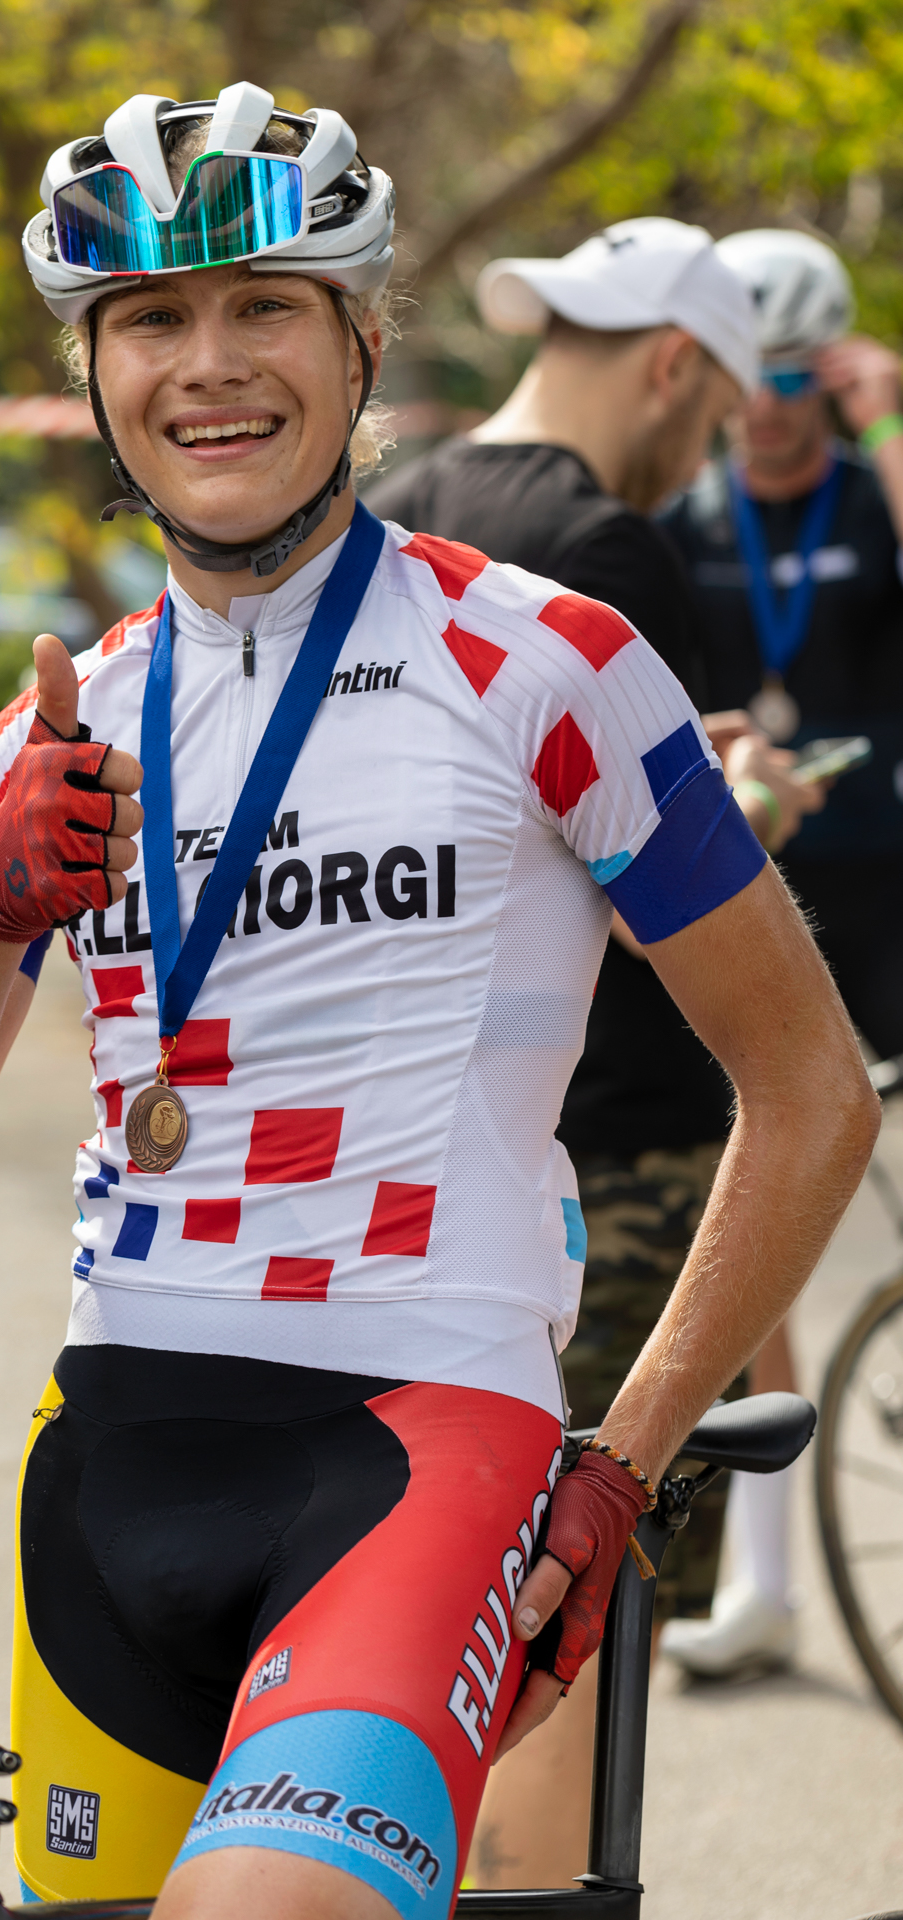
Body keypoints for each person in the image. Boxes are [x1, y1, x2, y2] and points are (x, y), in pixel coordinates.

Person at [0, 88, 877, 1920]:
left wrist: (623, 1461)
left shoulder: (548, 662)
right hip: (113, 1461)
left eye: (265, 307)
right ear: (94, 373)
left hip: (421, 1434)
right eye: (151, 317)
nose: (208, 363)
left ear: (363, 341)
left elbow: (813, 1091)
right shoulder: (44, 740)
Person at [366, 217, 824, 1888]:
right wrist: (748, 811)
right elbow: (656, 907)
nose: (705, 452)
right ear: (674, 364)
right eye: (713, 412)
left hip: (421, 1167)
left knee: (420, 1614)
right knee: (561, 1624)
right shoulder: (607, 549)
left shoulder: (390, 523)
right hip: (611, 1158)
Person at [658, 228, 903, 1679]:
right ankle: (763, 1585)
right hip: (757, 889)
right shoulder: (686, 518)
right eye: (750, 378)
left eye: (799, 380)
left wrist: (886, 424)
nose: (767, 409)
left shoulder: (871, 492)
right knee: (747, 1206)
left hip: (889, 885)